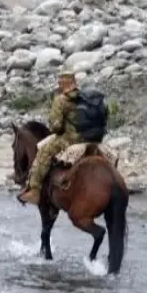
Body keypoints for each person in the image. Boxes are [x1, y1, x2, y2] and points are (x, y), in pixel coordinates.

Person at [17, 71, 107, 206]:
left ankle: (35, 190)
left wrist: (57, 127)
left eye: (60, 82)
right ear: (74, 82)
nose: (59, 84)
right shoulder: (84, 97)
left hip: (71, 139)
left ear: (63, 83)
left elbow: (56, 127)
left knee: (44, 151)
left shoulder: (61, 100)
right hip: (92, 137)